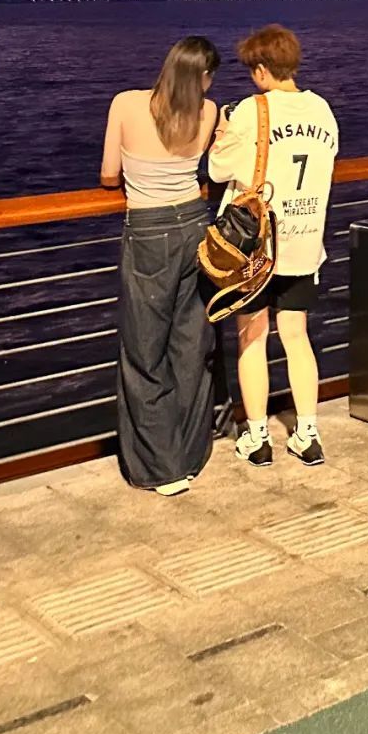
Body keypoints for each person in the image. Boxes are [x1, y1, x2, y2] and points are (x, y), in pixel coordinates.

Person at [208, 25, 338, 467]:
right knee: (297, 337)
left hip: (259, 249)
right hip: (305, 242)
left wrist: (224, 131)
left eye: (252, 70)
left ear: (262, 69)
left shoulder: (252, 110)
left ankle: (258, 437)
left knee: (252, 336)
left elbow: (219, 169)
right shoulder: (322, 109)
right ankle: (307, 434)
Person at [101, 36, 220, 496]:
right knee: (190, 344)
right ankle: (190, 455)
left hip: (149, 231)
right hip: (194, 224)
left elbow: (109, 175)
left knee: (143, 350)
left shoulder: (126, 104)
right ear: (203, 77)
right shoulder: (208, 112)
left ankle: (161, 466)